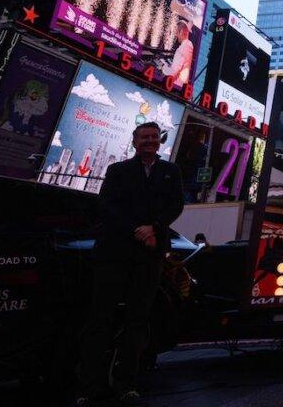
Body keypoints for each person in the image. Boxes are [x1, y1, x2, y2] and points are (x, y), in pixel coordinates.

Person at [76, 122, 184, 406]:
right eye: (143, 137)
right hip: (115, 253)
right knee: (100, 319)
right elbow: (107, 206)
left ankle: (127, 383)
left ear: (158, 141)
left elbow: (176, 206)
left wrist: (155, 229)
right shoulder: (118, 170)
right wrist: (137, 230)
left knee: (137, 320)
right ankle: (89, 386)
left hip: (149, 256)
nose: (149, 141)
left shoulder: (171, 172)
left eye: (153, 137)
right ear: (134, 142)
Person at [162, 20, 194, 88]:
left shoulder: (184, 47)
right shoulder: (188, 45)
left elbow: (173, 72)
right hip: (181, 85)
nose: (176, 35)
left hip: (175, 85)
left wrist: (163, 67)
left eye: (177, 32)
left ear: (182, 31)